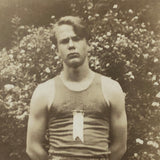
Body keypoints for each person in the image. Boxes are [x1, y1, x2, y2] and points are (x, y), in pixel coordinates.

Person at [26, 16, 127, 160]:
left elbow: (120, 146)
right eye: (64, 41)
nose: (71, 45)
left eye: (77, 38)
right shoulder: (44, 92)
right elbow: (33, 148)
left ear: (88, 44)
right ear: (57, 50)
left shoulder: (111, 89)